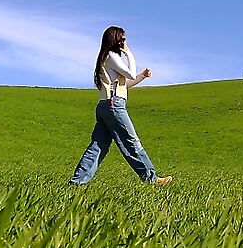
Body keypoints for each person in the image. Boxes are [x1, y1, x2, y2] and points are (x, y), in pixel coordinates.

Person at [70, 25, 170, 187]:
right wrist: (129, 53)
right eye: (122, 38)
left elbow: (126, 84)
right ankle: (152, 179)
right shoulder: (111, 56)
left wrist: (142, 77)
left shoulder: (107, 58)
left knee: (98, 145)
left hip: (106, 105)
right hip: (114, 105)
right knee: (132, 141)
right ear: (115, 39)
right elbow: (129, 74)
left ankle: (77, 182)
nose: (125, 42)